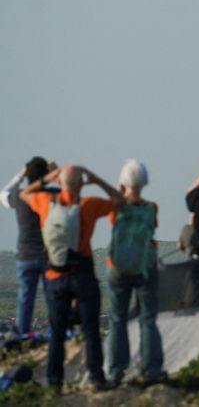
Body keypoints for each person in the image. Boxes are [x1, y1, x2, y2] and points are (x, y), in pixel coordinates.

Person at [19, 165, 125, 394]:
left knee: (56, 332)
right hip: (82, 275)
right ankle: (96, 377)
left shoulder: (46, 202)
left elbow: (23, 194)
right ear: (80, 184)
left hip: (54, 276)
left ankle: (54, 383)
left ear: (60, 182)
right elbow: (119, 201)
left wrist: (47, 177)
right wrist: (97, 179)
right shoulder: (88, 205)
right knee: (90, 329)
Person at [105, 160, 164, 386]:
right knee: (147, 318)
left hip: (117, 267)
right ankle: (152, 370)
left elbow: (114, 218)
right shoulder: (152, 208)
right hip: (144, 267)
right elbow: (153, 226)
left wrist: (119, 190)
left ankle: (116, 371)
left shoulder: (116, 208)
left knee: (117, 319)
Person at [0, 157, 55, 335]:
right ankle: (54, 331)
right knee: (52, 297)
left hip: (25, 254)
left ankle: (22, 334)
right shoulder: (51, 196)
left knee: (25, 297)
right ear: (46, 176)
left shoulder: (20, 196)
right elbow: (71, 192)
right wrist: (55, 173)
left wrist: (20, 174)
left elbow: (3, 194)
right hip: (48, 256)